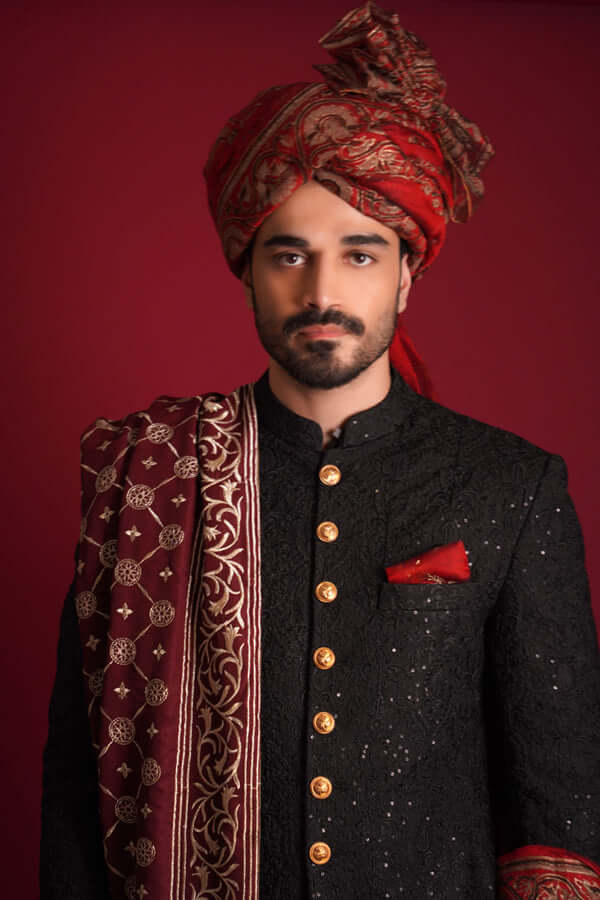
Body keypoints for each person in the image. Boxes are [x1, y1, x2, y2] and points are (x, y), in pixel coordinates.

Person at [41, 3, 600, 898]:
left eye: (362, 255)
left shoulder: (512, 488)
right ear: (247, 267)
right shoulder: (146, 479)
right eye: (289, 255)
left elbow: (559, 822)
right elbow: (80, 789)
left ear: (409, 271)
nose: (324, 290)